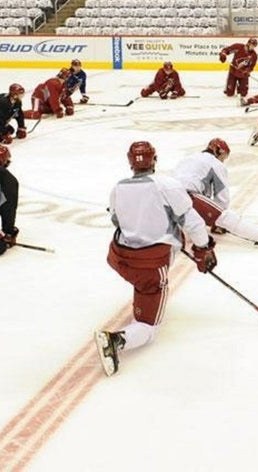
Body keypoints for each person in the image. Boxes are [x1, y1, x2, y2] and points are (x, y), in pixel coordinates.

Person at [94, 141, 218, 376]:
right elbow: (191, 221)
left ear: (130, 162)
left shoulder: (117, 188)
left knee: (142, 281)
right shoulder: (168, 185)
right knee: (148, 327)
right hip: (149, 265)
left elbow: (116, 220)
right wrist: (204, 248)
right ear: (155, 159)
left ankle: (142, 293)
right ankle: (117, 341)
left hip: (119, 257)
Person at [173, 138, 258, 247]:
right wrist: (217, 221)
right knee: (225, 217)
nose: (222, 160)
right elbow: (222, 198)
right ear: (219, 151)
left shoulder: (188, 158)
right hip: (188, 196)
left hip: (169, 196)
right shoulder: (216, 164)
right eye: (223, 157)